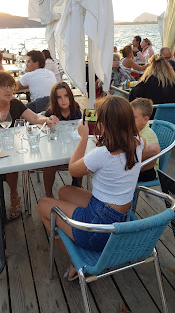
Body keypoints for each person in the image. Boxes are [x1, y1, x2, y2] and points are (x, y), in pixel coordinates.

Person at [38, 95, 145, 279]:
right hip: (119, 217)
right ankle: (76, 240)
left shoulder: (103, 154)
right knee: (64, 191)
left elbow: (73, 170)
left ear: (104, 124)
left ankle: (77, 259)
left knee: (43, 205)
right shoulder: (138, 143)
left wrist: (83, 138)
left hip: (99, 230)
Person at [0, 71, 58, 218]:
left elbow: (34, 117)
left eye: (10, 86)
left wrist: (47, 120)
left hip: (9, 149)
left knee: (12, 171)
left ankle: (14, 194)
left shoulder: (15, 104)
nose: (8, 90)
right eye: (3, 86)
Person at [42, 82, 82, 197]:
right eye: (59, 97)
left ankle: (77, 187)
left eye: (66, 96)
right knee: (49, 164)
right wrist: (49, 121)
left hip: (73, 149)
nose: (63, 100)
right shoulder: (50, 113)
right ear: (55, 100)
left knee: (80, 158)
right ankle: (48, 194)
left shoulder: (76, 112)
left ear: (71, 96)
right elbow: (46, 135)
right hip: (56, 150)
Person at [130, 98, 160, 182]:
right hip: (138, 166)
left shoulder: (147, 134)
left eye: (133, 117)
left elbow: (138, 157)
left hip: (147, 170)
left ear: (145, 120)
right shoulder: (134, 129)